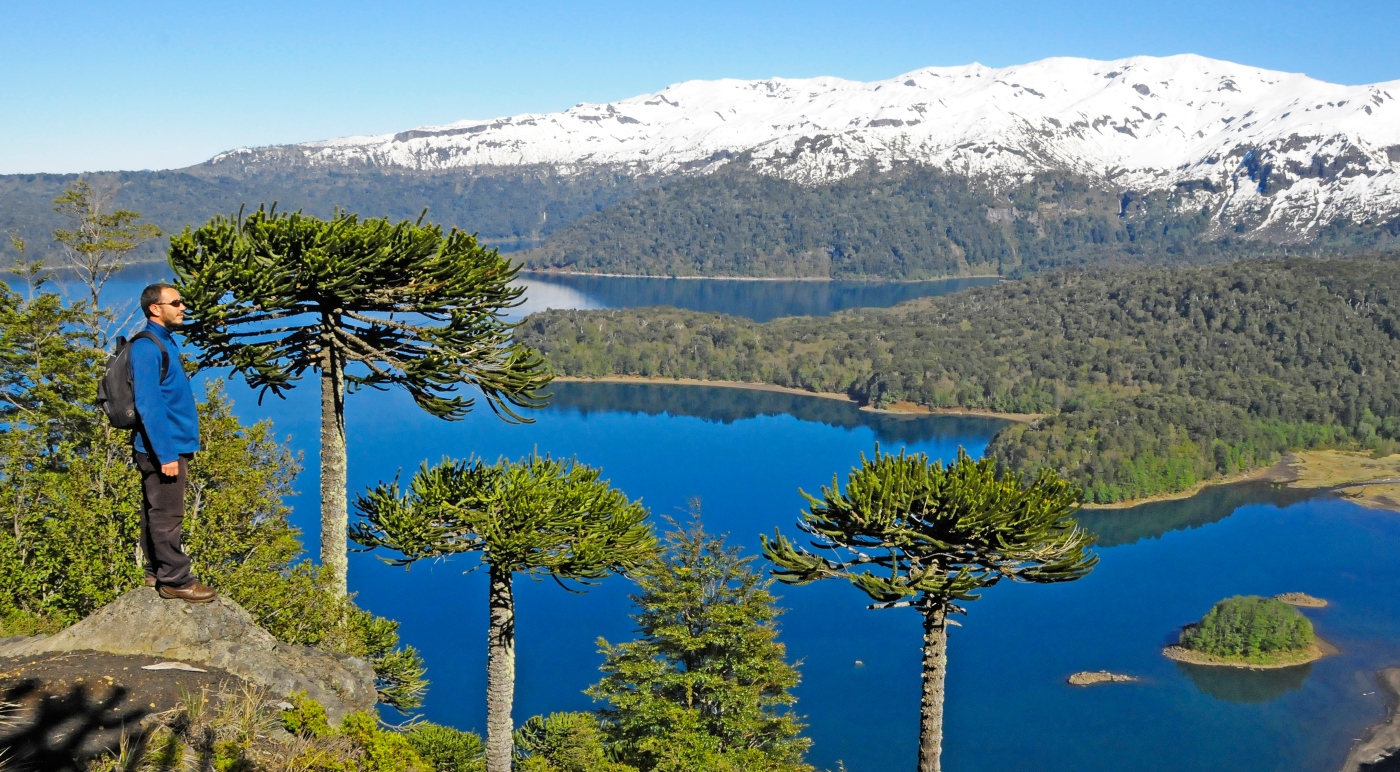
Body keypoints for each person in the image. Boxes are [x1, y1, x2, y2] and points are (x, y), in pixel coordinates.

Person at [132, 282, 215, 603]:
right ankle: (175, 580)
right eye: (176, 303)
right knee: (168, 514)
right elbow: (149, 406)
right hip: (162, 449)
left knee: (155, 509)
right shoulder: (147, 348)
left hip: (167, 446)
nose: (183, 307)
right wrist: (166, 453)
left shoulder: (164, 343)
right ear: (155, 308)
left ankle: (155, 571)